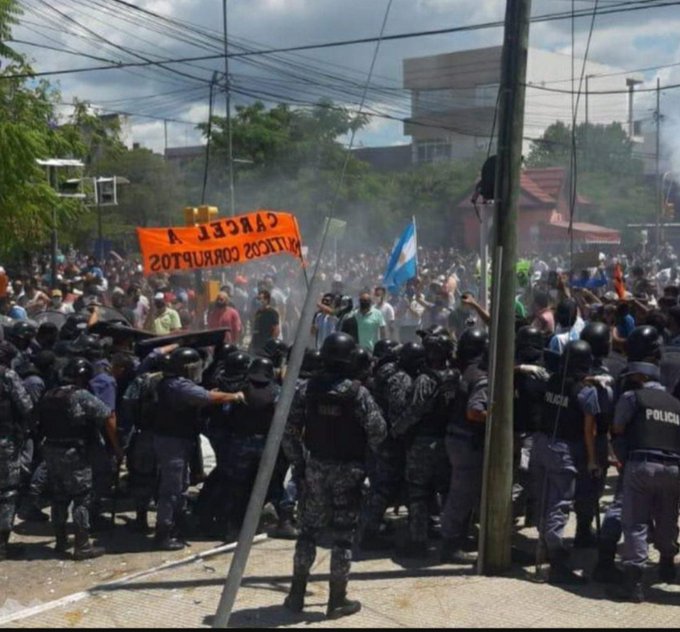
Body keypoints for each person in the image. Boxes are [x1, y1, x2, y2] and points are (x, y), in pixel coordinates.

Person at [282, 332, 386, 619]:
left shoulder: (307, 389)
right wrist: (370, 458)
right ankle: (336, 599)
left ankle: (295, 595)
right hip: (348, 471)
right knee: (342, 537)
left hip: (315, 467)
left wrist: (299, 465)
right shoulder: (357, 393)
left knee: (307, 533)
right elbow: (379, 431)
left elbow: (289, 431)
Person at [609, 326, 680, 602]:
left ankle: (634, 583)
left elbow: (617, 428)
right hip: (674, 468)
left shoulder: (632, 397)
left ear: (639, 375)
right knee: (667, 517)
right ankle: (666, 565)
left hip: (641, 465)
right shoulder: (675, 404)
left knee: (636, 522)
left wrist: (620, 454)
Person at [152, 347, 244, 550]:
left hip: (175, 440)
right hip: (173, 441)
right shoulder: (178, 386)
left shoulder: (169, 382)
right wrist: (234, 396)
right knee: (172, 489)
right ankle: (163, 532)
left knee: (181, 486)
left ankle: (176, 525)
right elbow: (207, 397)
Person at [38, 357, 122, 560]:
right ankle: (82, 545)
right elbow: (107, 416)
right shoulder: (81, 395)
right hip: (74, 452)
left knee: (58, 497)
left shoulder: (50, 394)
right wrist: (117, 446)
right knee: (82, 497)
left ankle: (60, 540)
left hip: (51, 449)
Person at [532, 339, 593, 584]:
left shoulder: (550, 381)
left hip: (541, 445)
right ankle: (556, 561)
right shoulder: (584, 393)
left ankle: (546, 545)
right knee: (559, 504)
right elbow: (590, 429)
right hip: (563, 451)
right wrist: (593, 460)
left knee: (543, 500)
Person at [393, 332, 458, 557]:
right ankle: (451, 539)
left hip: (424, 441)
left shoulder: (425, 379)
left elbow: (414, 411)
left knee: (418, 493)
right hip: (448, 441)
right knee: (446, 491)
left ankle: (417, 542)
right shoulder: (454, 376)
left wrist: (396, 430)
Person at [439, 328, 489, 563]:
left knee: (463, 491)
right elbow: (474, 411)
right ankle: (450, 545)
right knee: (461, 493)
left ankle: (458, 535)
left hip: (456, 437)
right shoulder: (480, 377)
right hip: (466, 440)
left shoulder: (464, 370)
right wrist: (498, 418)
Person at [0, 342, 34, 560]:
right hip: (5, 442)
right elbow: (26, 405)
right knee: (7, 492)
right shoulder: (8, 376)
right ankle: (1, 545)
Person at [250, 290, 280, 355]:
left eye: (260, 299)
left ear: (266, 300)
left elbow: (276, 330)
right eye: (257, 299)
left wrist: (271, 344)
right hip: (256, 344)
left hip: (265, 346)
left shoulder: (272, 313)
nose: (258, 301)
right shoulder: (258, 312)